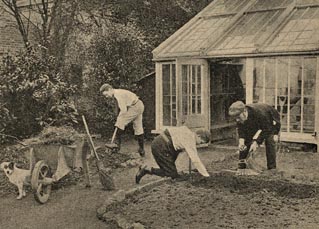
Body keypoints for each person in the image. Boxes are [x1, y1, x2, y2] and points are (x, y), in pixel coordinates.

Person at [135, 126, 211, 184]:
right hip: (161, 146)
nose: (199, 144)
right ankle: (146, 169)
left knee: (170, 170)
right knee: (171, 174)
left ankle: (149, 169)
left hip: (164, 144)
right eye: (201, 142)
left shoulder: (187, 131)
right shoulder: (190, 139)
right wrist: (206, 175)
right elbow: (195, 160)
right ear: (198, 136)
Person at [228, 101, 281, 172]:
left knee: (269, 140)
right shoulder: (240, 117)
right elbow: (241, 130)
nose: (237, 120)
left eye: (238, 117)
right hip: (253, 121)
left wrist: (256, 142)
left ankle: (272, 168)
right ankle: (242, 165)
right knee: (246, 141)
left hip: (270, 120)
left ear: (244, 111)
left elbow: (266, 129)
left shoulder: (261, 114)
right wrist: (241, 141)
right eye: (235, 118)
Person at [100, 83, 145, 157]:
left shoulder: (118, 94)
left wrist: (119, 119)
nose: (107, 97)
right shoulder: (117, 92)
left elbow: (123, 110)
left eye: (106, 94)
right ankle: (142, 150)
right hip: (138, 105)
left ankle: (116, 146)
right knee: (138, 128)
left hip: (135, 107)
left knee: (120, 123)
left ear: (109, 89)